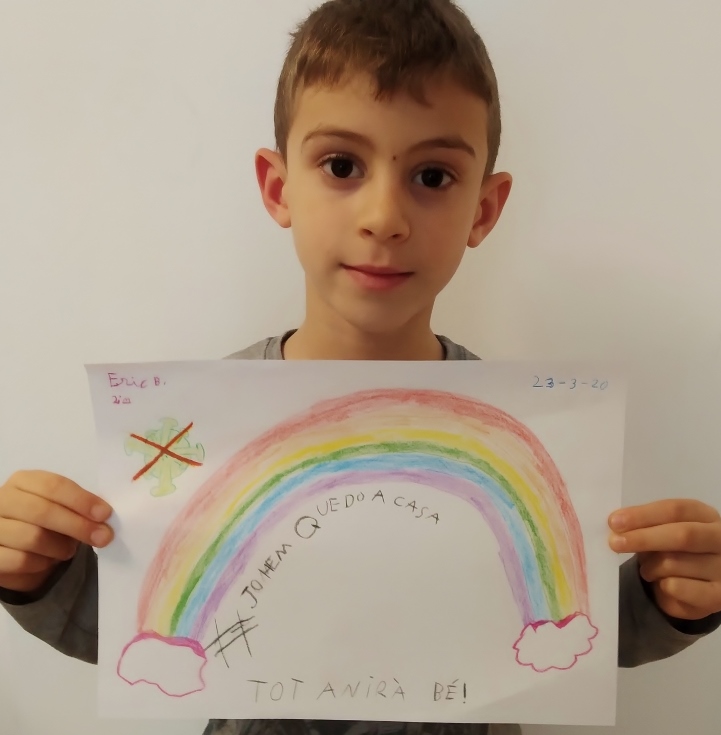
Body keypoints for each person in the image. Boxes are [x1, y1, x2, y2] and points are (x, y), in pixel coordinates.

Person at [1, 1, 720, 734]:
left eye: (432, 175)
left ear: (484, 209)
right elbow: (140, 636)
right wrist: (37, 574)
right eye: (341, 165)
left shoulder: (525, 439)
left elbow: (569, 641)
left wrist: (670, 598)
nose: (384, 217)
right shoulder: (199, 431)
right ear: (278, 187)